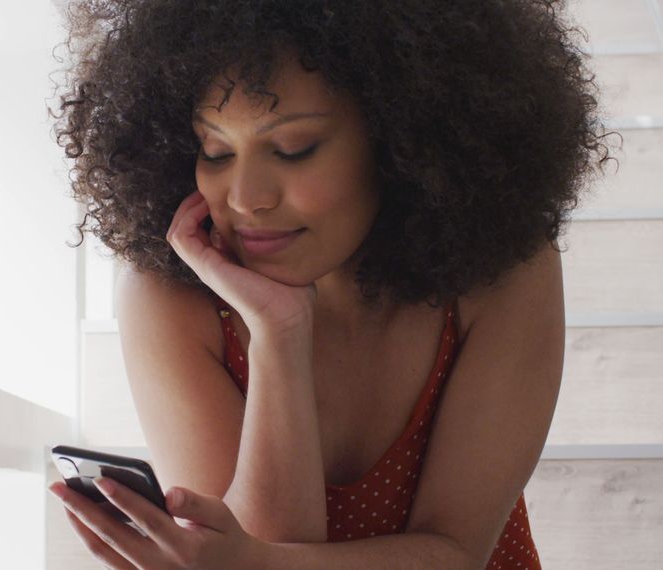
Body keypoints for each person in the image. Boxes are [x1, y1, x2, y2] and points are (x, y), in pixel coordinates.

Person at [46, 1, 615, 568]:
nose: (245, 197)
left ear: (400, 142)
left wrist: (257, 563)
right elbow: (259, 541)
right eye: (215, 151)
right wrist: (279, 332)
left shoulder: (502, 270)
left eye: (293, 149)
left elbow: (455, 553)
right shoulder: (172, 297)